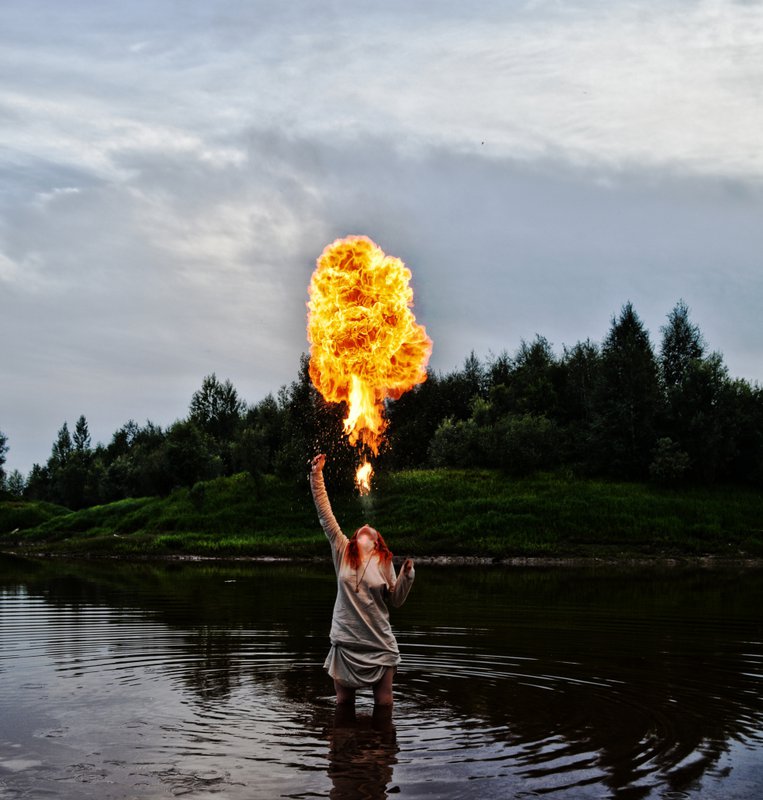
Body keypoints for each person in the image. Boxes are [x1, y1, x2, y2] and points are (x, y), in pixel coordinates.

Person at [310, 453, 415, 707]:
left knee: (384, 705)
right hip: (346, 642)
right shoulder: (342, 550)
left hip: (378, 644)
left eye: (371, 530)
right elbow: (325, 513)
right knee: (343, 705)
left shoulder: (383, 562)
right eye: (361, 528)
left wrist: (406, 576)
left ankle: (380, 746)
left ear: (378, 542)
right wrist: (316, 475)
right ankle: (346, 743)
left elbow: (396, 600)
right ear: (356, 537)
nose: (366, 525)